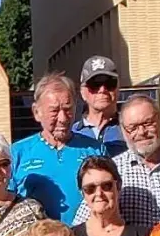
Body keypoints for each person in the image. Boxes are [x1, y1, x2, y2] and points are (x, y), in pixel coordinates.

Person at [11, 73, 106, 223]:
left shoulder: (95, 150)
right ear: (36, 112)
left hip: (85, 234)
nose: (63, 118)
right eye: (54, 111)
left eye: (68, 109)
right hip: (37, 235)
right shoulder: (17, 153)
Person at [80, 95, 160, 227]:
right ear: (123, 131)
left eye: (148, 123)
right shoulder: (112, 170)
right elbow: (83, 223)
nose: (141, 132)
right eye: (132, 127)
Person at [73, 56, 127, 155]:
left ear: (118, 88)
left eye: (110, 83)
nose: (102, 90)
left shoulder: (130, 129)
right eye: (95, 84)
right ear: (82, 92)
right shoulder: (71, 134)